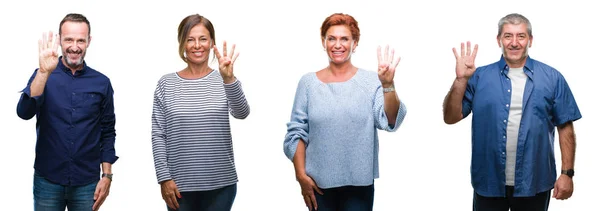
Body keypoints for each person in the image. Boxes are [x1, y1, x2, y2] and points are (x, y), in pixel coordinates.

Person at [443, 13, 581, 211]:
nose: (514, 43)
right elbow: (451, 117)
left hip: (535, 182)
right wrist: (461, 80)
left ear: (530, 41)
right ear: (499, 39)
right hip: (489, 182)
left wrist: (567, 173)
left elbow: (565, 126)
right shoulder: (479, 77)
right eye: (508, 36)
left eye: (521, 36)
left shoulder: (552, 78)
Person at [283, 13, 407, 211]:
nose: (337, 45)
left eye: (344, 39)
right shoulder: (308, 83)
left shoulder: (371, 81)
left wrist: (388, 85)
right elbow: (297, 132)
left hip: (359, 187)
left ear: (355, 43)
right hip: (318, 185)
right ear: (323, 42)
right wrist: (300, 176)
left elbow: (390, 120)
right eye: (331, 38)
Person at [16, 13, 118, 211]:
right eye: (69, 39)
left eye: (81, 40)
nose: (74, 46)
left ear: (89, 41)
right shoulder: (43, 76)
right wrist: (43, 72)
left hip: (86, 182)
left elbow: (108, 131)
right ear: (60, 40)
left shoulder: (102, 83)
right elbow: (24, 112)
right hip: (48, 180)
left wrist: (107, 176)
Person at [151, 14, 250, 211]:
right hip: (178, 186)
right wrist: (164, 178)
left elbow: (242, 112)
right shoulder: (166, 84)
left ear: (211, 42)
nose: (197, 45)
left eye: (203, 39)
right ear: (182, 44)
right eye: (190, 39)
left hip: (221, 184)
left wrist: (229, 79)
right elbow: (158, 134)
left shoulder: (224, 78)